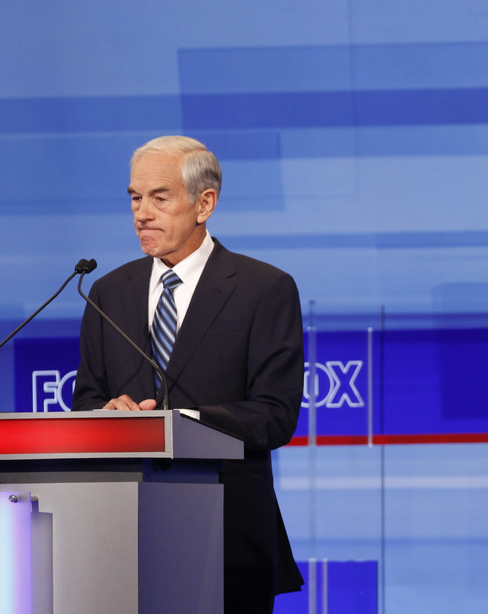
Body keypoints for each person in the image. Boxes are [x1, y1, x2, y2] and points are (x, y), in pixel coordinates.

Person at [73, 135, 304, 613]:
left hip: (227, 536)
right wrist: (108, 415)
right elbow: (86, 403)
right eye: (135, 198)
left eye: (159, 197)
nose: (142, 213)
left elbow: (274, 416)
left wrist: (179, 424)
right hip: (121, 539)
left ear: (205, 204)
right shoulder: (108, 291)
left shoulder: (264, 289)